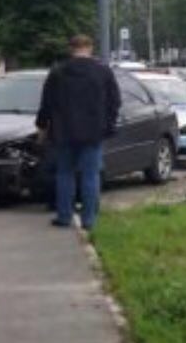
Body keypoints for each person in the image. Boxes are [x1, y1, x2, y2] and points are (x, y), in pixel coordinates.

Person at [36, 35, 120, 231]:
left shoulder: (58, 72)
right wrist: (108, 124)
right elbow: (114, 102)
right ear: (90, 48)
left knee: (64, 174)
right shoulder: (103, 72)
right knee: (91, 175)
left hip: (64, 132)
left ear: (70, 48)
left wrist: (42, 127)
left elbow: (46, 104)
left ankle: (64, 216)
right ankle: (88, 219)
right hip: (93, 132)